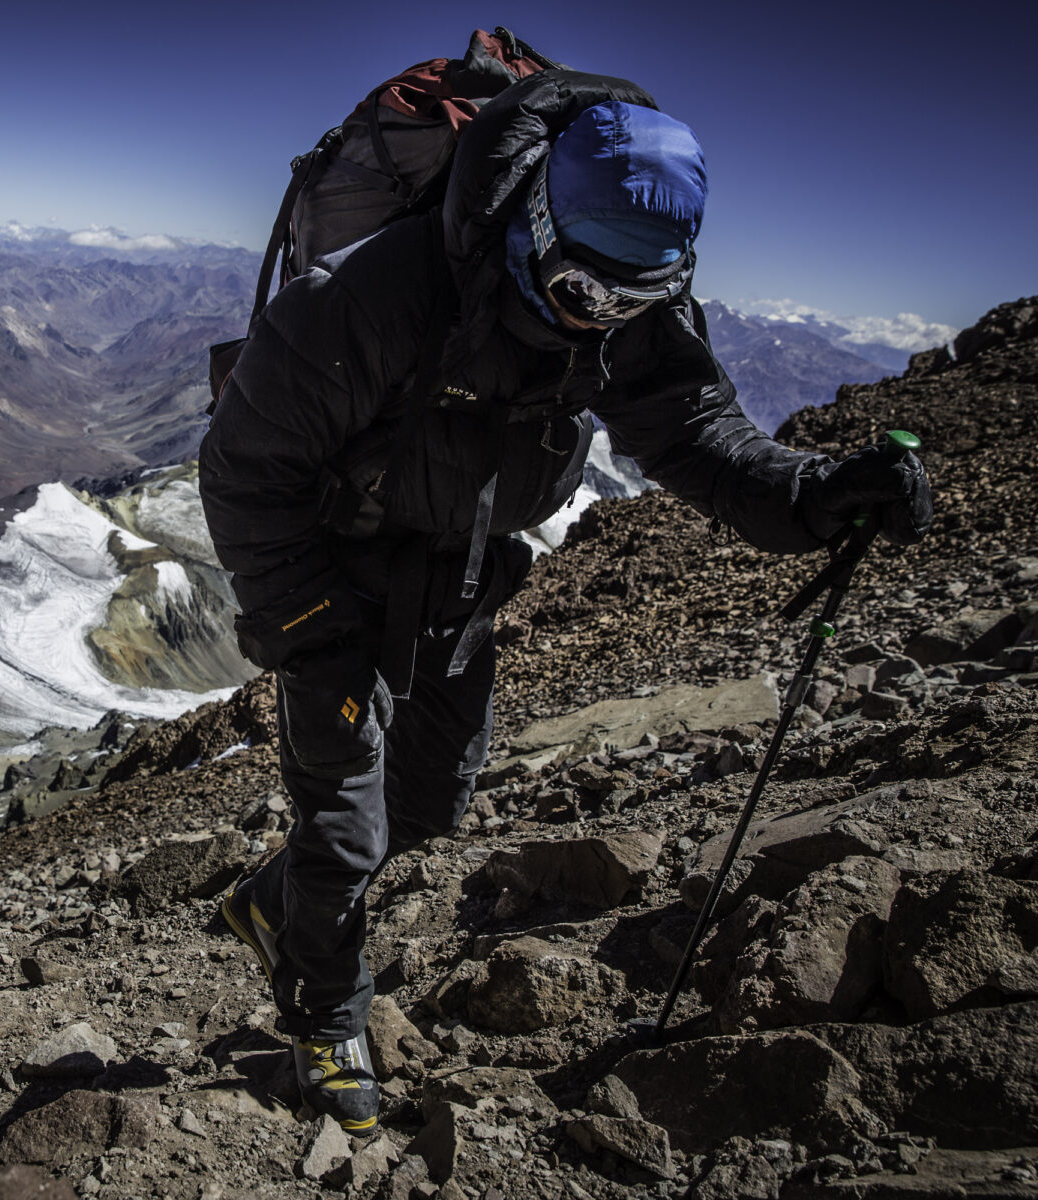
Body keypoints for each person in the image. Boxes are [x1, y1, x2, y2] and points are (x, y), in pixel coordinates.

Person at [200, 69, 931, 1135]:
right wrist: (308, 630)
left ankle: (276, 903)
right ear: (536, 221)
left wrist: (817, 497)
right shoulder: (375, 296)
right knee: (343, 818)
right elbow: (243, 465)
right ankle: (324, 1016)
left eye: (638, 302)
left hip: (458, 575)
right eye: (586, 293)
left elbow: (696, 434)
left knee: (437, 797)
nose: (601, 325)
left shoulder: (626, 304)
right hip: (336, 577)